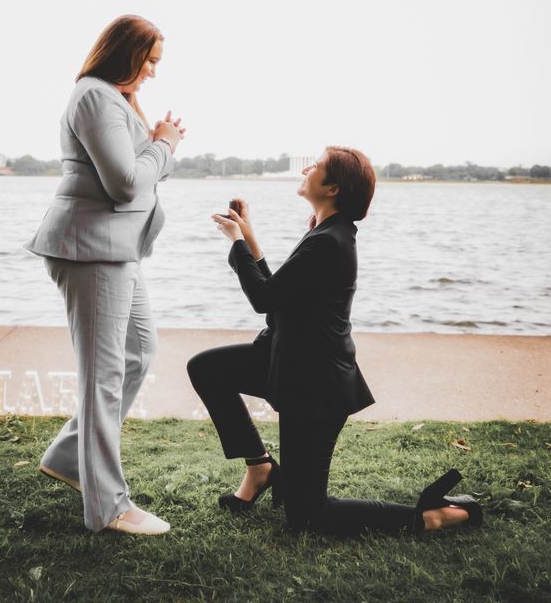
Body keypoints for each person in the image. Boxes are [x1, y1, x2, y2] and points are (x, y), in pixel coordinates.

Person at [187, 147, 483, 538]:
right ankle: (260, 466)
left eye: (318, 166)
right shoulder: (326, 233)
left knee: (307, 517)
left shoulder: (330, 241)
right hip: (285, 360)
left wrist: (238, 242)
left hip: (315, 386)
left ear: (333, 188)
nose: (308, 168)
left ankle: (431, 516)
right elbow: (278, 300)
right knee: (206, 368)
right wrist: (249, 236)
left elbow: (263, 299)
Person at [25, 14, 186, 535]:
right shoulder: (94, 96)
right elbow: (124, 185)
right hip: (89, 248)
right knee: (104, 376)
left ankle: (72, 458)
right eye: (150, 61)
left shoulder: (116, 99)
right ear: (126, 52)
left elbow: (134, 174)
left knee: (139, 352)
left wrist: (157, 141)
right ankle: (109, 506)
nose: (153, 73)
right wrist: (162, 143)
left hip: (119, 250)